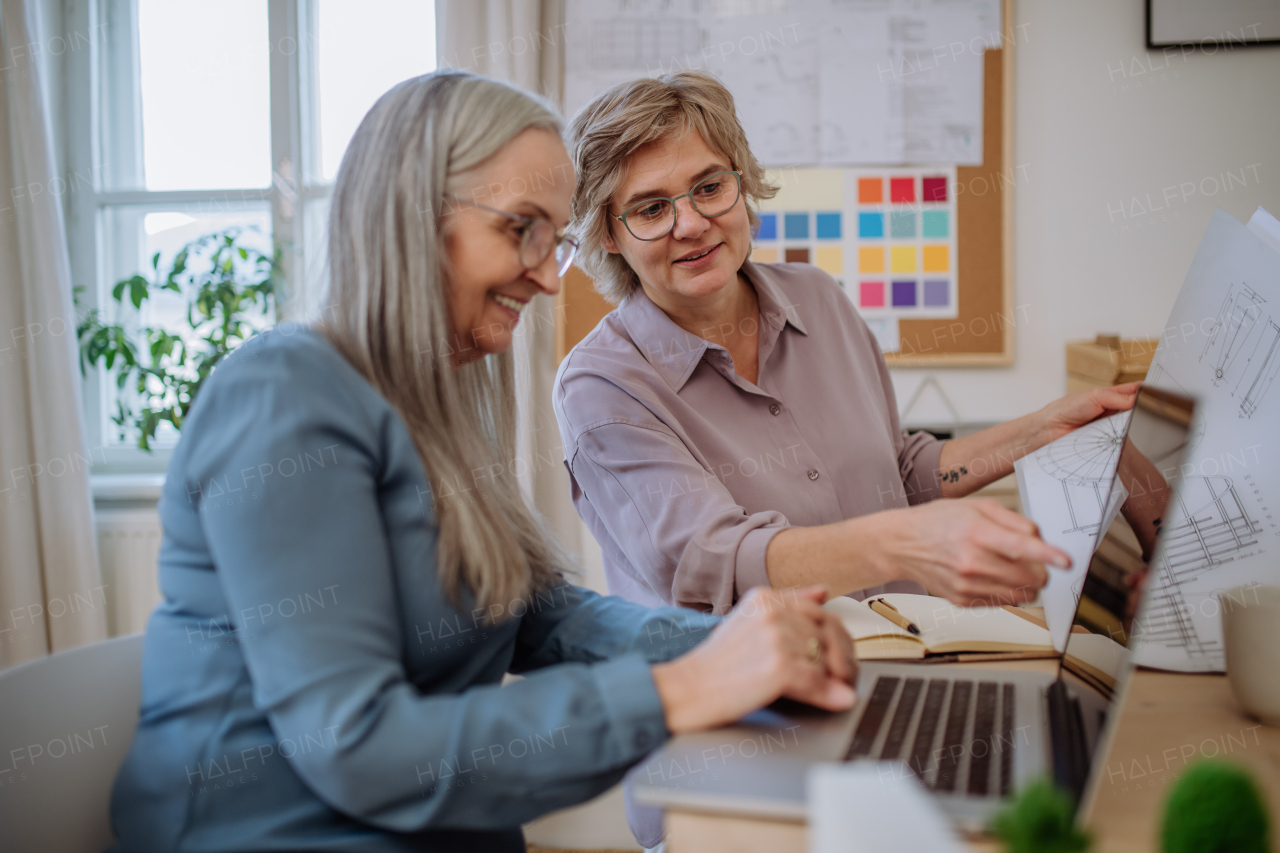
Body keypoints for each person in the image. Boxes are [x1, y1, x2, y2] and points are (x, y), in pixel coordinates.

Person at [107, 71, 857, 853]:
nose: (544, 275)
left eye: (556, 240)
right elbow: (355, 746)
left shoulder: (434, 402)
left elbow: (535, 613)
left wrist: (736, 644)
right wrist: (680, 688)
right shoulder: (282, 398)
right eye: (521, 229)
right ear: (413, 219)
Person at [554, 70, 1138, 615]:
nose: (691, 223)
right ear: (607, 233)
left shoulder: (817, 298)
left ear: (742, 183)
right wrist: (902, 544)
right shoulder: (602, 388)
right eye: (652, 208)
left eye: (709, 187)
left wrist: (1040, 430)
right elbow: (714, 565)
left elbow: (899, 474)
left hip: (906, 660)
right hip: (754, 711)